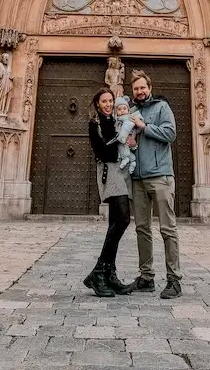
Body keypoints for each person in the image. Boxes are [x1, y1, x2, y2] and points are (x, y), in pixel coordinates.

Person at [124, 70, 182, 299]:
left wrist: (144, 126)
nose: (139, 92)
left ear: (149, 87)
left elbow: (170, 133)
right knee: (141, 229)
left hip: (160, 175)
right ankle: (146, 277)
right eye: (136, 88)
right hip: (138, 178)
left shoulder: (162, 108)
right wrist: (128, 140)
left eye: (142, 88)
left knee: (167, 228)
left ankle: (174, 280)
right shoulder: (130, 111)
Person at [84, 87, 133, 298]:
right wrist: (119, 143)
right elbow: (104, 152)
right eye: (104, 101)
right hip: (109, 174)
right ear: (97, 104)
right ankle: (98, 271)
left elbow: (123, 143)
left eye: (111, 101)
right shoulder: (95, 124)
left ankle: (108, 274)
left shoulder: (115, 122)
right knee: (122, 220)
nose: (108, 104)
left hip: (120, 173)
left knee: (116, 220)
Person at [108, 96, 143, 174]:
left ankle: (126, 159)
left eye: (124, 109)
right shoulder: (117, 119)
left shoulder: (129, 117)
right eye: (119, 109)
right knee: (124, 149)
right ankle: (132, 161)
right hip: (125, 139)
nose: (122, 111)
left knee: (122, 147)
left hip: (126, 137)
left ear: (128, 109)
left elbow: (136, 126)